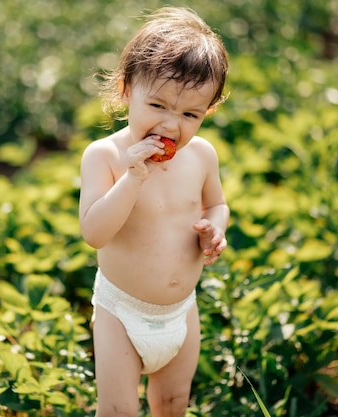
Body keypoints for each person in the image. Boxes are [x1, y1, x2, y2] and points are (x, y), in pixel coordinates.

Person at [79, 6, 230, 417]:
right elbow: (94, 233)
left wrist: (215, 229)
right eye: (158, 105)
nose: (170, 124)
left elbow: (216, 204)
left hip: (181, 311)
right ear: (128, 90)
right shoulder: (106, 156)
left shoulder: (200, 155)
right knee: (117, 411)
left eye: (189, 114)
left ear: (207, 113)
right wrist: (132, 179)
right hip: (121, 313)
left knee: (173, 403)